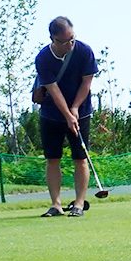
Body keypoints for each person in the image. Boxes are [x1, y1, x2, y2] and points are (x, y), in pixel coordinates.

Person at [34, 16, 99, 218]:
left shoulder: (84, 51)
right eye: (65, 41)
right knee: (52, 159)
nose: (70, 44)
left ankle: (79, 203)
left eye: (72, 38)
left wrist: (75, 109)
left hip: (82, 111)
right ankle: (56, 204)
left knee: (80, 158)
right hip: (51, 115)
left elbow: (86, 83)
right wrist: (67, 114)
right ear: (53, 39)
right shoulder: (43, 58)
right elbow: (53, 91)